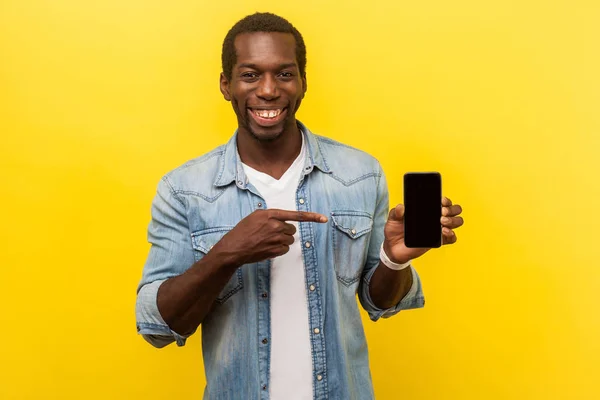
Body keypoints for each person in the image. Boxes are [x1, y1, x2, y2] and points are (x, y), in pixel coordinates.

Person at [135, 12, 464, 400]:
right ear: (226, 85)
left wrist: (394, 259)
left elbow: (380, 302)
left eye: (285, 74)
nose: (269, 90)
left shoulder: (359, 174)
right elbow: (158, 327)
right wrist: (228, 253)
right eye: (250, 75)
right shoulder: (184, 190)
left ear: (303, 83)